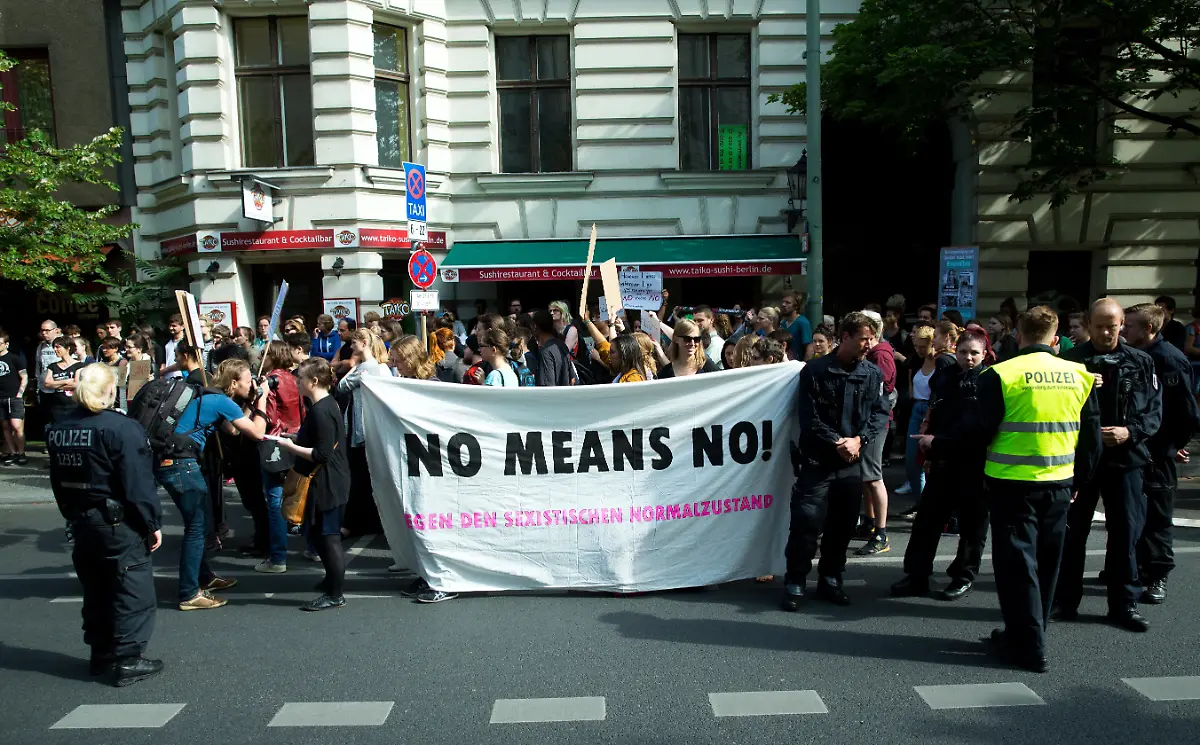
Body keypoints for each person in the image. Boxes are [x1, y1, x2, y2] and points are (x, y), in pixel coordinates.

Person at [952, 306, 1101, 672]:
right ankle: (1030, 634)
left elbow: (979, 431)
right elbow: (1092, 437)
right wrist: (1080, 480)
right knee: (1048, 564)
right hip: (1059, 483)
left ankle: (1029, 646)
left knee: (1017, 566)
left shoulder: (1001, 374)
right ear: (1055, 339)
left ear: (1018, 336)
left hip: (1012, 484)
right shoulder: (1079, 374)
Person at [47, 364, 165, 686]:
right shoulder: (121, 428)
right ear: (111, 390)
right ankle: (128, 659)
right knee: (131, 588)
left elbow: (57, 478)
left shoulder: (59, 427)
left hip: (82, 519)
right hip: (117, 522)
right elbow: (137, 483)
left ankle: (101, 654)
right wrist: (152, 522)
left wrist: (69, 513)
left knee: (96, 588)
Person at [1055, 298, 1161, 633]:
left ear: (1120, 325)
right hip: (1081, 459)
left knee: (1124, 533)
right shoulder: (1072, 361)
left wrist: (1130, 431)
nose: (1105, 332)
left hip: (1126, 459)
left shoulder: (1140, 361)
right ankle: (1064, 600)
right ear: (1089, 323)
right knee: (1073, 533)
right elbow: (1057, 409)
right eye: (1099, 325)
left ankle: (1123, 604)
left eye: (1111, 326)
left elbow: (1154, 411)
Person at [782, 312, 888, 611]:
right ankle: (796, 581)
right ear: (845, 338)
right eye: (863, 338)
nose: (869, 344)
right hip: (817, 462)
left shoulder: (872, 373)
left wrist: (859, 441)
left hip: (851, 465)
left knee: (842, 526)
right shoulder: (815, 371)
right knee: (806, 522)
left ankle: (831, 577)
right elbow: (808, 417)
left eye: (872, 338)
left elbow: (880, 414)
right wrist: (837, 442)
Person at [152, 358, 268, 611]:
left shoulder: (210, 397)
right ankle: (189, 593)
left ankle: (205, 577)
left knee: (201, 524)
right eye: (248, 381)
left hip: (171, 460)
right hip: (181, 465)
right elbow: (257, 433)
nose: (252, 384)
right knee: (196, 528)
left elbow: (233, 430)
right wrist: (262, 401)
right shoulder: (221, 401)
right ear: (234, 382)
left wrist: (248, 405)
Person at [893, 329, 994, 600]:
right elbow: (936, 413)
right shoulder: (947, 377)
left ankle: (963, 576)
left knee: (973, 527)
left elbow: (977, 427)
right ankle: (917, 575)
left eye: (974, 353)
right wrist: (930, 451)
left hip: (974, 463)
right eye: (963, 352)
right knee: (927, 521)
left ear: (984, 355)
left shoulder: (989, 381)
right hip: (943, 460)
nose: (968, 358)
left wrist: (936, 441)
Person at [1122, 303, 1200, 604]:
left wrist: (1171, 447)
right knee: (1134, 513)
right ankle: (1137, 567)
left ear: (1149, 329)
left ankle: (1157, 575)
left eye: (1130, 326)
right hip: (1136, 448)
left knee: (1157, 516)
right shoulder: (1136, 357)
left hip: (1157, 453)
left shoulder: (1169, 360)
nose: (1124, 330)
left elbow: (1187, 413)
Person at [275, 357, 351, 611]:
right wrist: (296, 437)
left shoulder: (321, 410)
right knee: (320, 535)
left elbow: (322, 454)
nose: (297, 382)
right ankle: (331, 581)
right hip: (327, 480)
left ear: (314, 381)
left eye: (300, 378)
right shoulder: (323, 405)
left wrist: (290, 446)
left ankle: (335, 594)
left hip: (327, 482)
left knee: (328, 538)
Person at [256, 340, 305, 571]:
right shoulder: (296, 378)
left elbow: (268, 415)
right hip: (298, 437)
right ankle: (314, 548)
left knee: (275, 501)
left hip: (275, 440)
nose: (260, 358)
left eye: (263, 355)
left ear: (272, 356)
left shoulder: (269, 381)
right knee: (303, 494)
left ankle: (278, 558)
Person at [337, 329, 390, 537]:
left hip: (361, 429)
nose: (351, 347)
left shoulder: (366, 368)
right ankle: (370, 521)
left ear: (364, 343)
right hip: (369, 427)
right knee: (367, 477)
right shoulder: (380, 368)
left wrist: (355, 366)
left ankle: (353, 523)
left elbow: (341, 386)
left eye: (354, 343)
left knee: (359, 478)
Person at [856, 310, 896, 555]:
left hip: (875, 423)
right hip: (869, 422)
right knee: (866, 476)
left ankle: (881, 534)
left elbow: (883, 390)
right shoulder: (876, 352)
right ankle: (870, 524)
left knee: (873, 476)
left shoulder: (880, 355)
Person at [0, 332, 28, 465]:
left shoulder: (14, 358)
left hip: (14, 396)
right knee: (5, 427)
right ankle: (12, 453)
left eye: (0, 343)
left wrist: (20, 394)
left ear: (6, 344)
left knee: (16, 426)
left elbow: (24, 377)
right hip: (1, 398)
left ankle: (21, 452)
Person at [42, 337, 84, 425]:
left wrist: (55, 384)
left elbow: (76, 384)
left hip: (74, 405)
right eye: (54, 347)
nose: (55, 349)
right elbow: (47, 383)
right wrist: (67, 381)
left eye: (58, 347)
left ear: (68, 348)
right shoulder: (52, 366)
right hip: (57, 405)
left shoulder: (79, 365)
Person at [532, 309, 572, 386]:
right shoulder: (562, 345)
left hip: (553, 396)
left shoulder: (545, 352)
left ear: (535, 326)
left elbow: (547, 385)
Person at [34, 319, 62, 405]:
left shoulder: (65, 343)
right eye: (42, 330)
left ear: (56, 330)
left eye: (47, 330)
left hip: (60, 388)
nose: (44, 333)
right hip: (44, 388)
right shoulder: (41, 346)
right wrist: (38, 386)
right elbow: (38, 366)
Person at [779, 291, 814, 360]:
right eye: (783, 302)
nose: (783, 304)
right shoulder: (782, 323)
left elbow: (809, 348)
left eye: (788, 303)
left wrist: (804, 367)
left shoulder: (803, 322)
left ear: (796, 306)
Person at [160, 315, 186, 379]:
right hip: (167, 378)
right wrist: (162, 372)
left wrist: (165, 370)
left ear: (183, 326)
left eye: (174, 326)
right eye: (170, 325)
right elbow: (164, 360)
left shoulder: (186, 343)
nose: (171, 328)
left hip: (182, 376)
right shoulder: (166, 343)